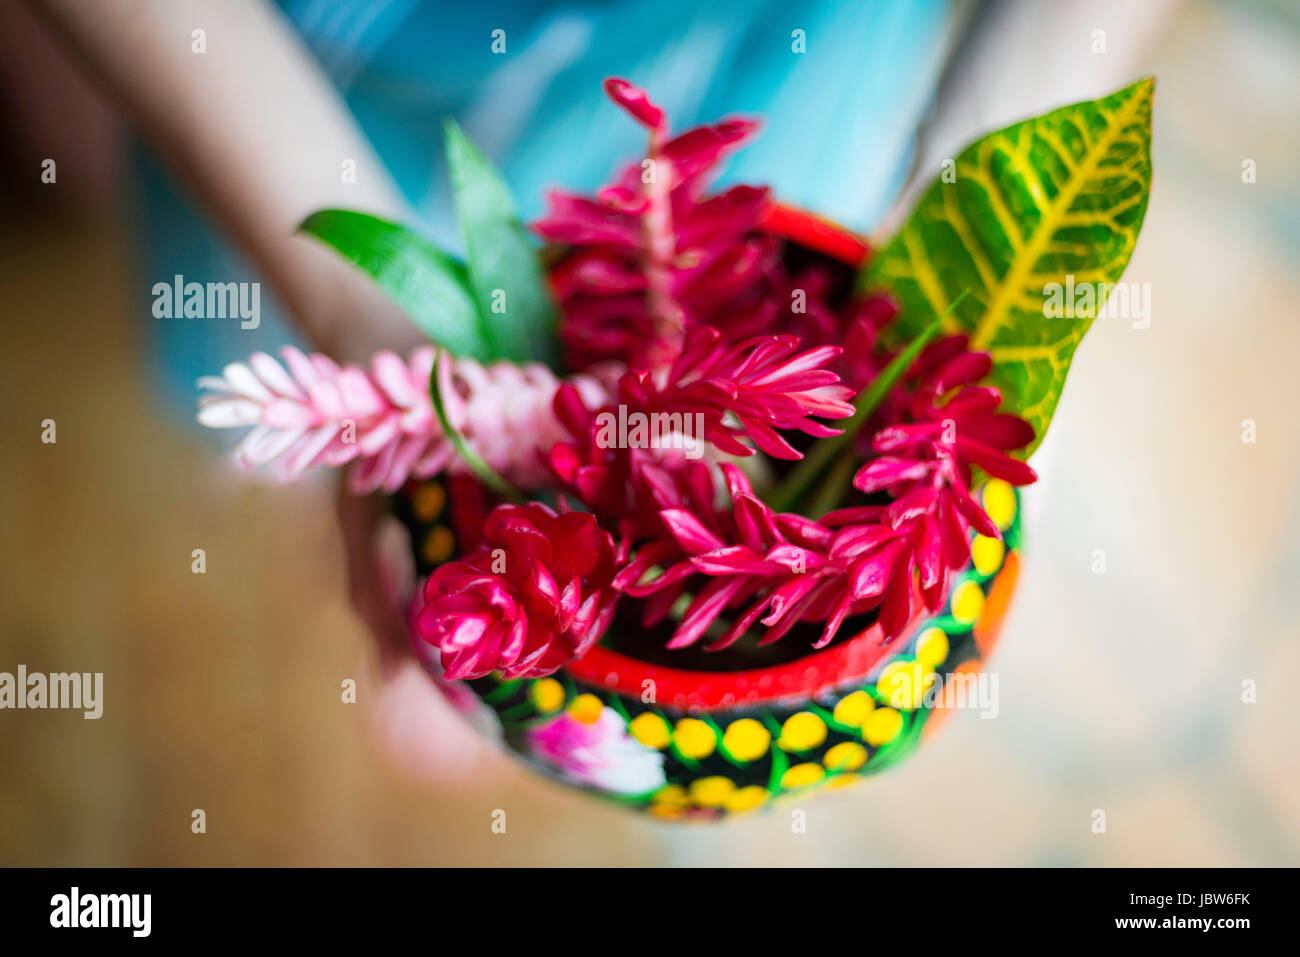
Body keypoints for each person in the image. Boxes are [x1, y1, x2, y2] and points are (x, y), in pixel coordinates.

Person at [27, 0, 961, 780]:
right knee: (289, 349)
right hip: (322, 86)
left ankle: (484, 654)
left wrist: (965, 243)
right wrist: (359, 319)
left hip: (787, 40)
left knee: (751, 291)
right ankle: (377, 537)